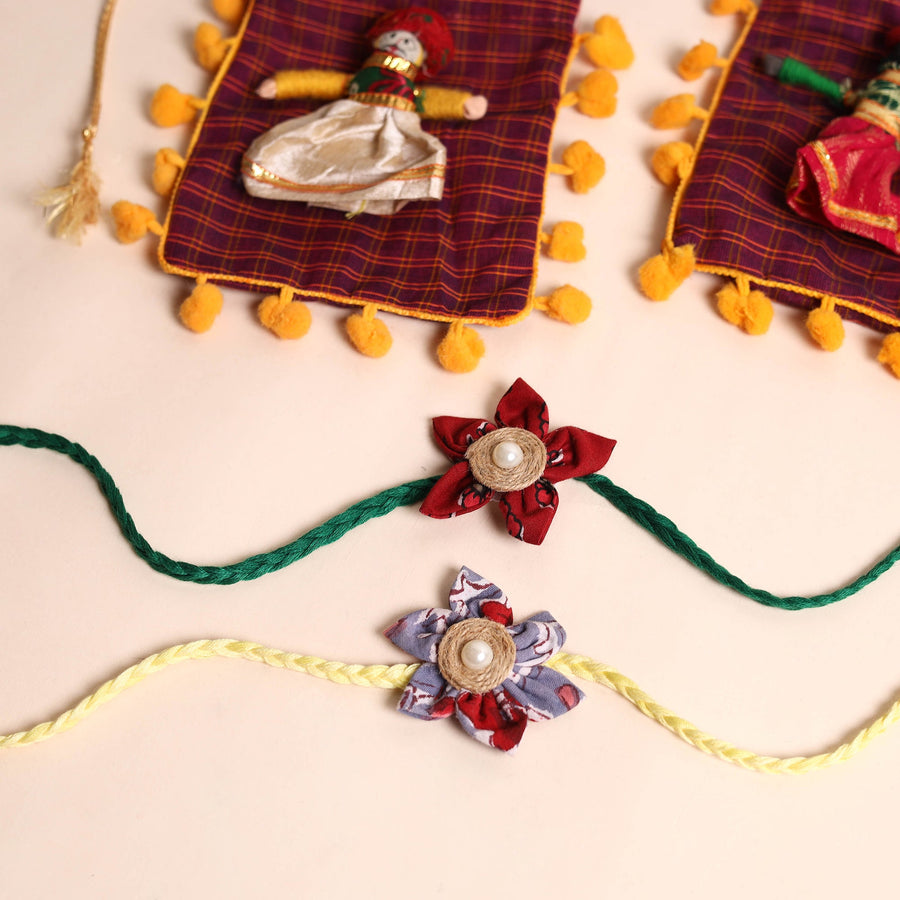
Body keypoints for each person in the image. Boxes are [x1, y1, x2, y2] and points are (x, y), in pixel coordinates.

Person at [242, 7, 488, 216]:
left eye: (408, 42)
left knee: (401, 157)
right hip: (347, 118)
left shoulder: (410, 91)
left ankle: (365, 195)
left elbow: (431, 100)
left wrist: (462, 104)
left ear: (423, 58)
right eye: (393, 36)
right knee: (312, 142)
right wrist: (283, 85)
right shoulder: (358, 80)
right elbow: (322, 82)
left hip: (394, 130)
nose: (397, 43)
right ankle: (301, 183)